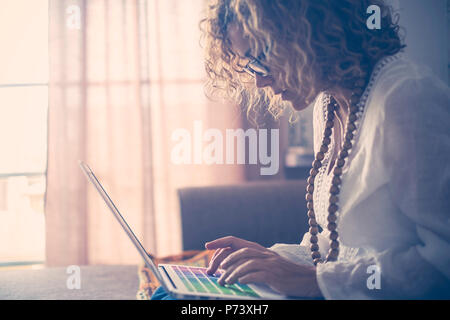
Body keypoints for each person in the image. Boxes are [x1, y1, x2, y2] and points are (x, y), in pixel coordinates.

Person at [152, 0, 450, 299]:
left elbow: (442, 264)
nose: (259, 80)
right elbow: (342, 249)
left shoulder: (408, 98)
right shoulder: (329, 103)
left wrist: (314, 281)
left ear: (311, 32)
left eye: (263, 55)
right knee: (173, 297)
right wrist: (274, 260)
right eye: (250, 63)